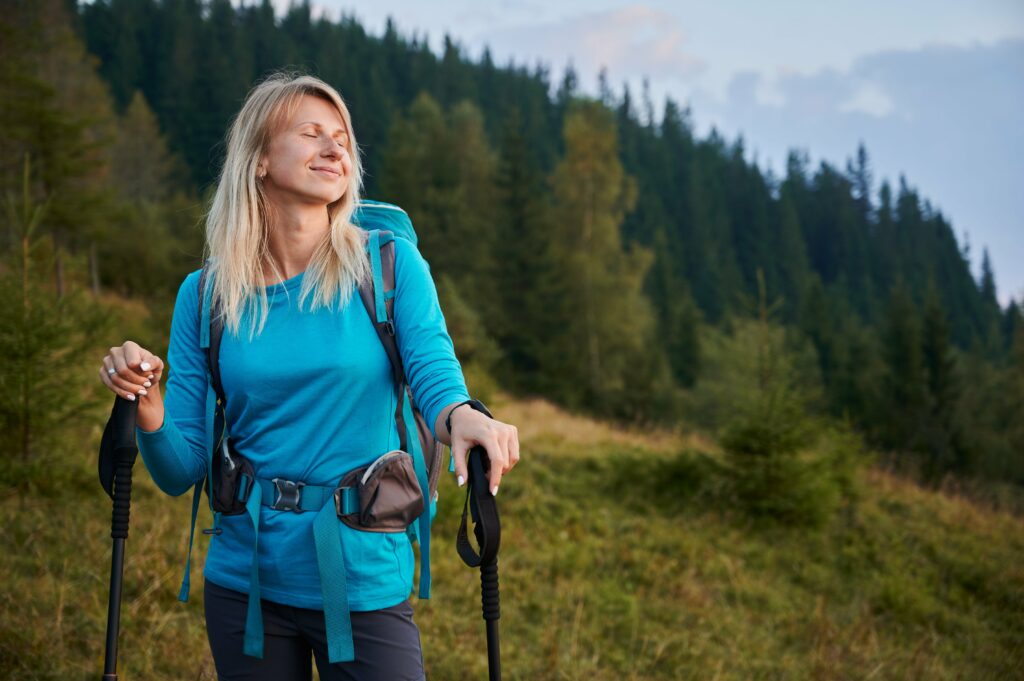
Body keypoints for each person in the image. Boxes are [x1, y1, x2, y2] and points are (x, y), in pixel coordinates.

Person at [97, 72, 520, 680]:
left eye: (343, 138)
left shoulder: (389, 267)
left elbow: (433, 371)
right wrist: (147, 399)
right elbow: (177, 470)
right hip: (246, 585)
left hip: (364, 577)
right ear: (261, 159)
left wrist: (465, 417)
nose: (335, 149)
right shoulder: (207, 296)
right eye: (311, 134)